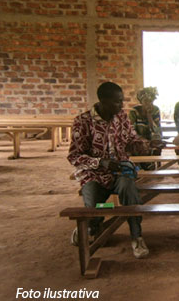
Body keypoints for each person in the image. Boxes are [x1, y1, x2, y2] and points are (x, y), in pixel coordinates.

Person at [68, 81, 160, 259]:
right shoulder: (83, 122)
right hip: (94, 174)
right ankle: (91, 226)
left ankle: (136, 236)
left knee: (130, 193)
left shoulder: (122, 118)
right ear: (103, 101)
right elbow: (74, 156)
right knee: (97, 206)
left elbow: (131, 142)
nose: (121, 105)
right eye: (117, 102)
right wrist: (101, 163)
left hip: (120, 172)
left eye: (122, 101)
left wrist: (148, 145)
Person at [129, 87, 163, 169]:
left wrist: (149, 115)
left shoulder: (155, 110)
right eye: (146, 101)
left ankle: (152, 162)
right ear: (141, 102)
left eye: (151, 101)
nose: (149, 103)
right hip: (138, 138)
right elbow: (131, 129)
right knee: (140, 145)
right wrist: (141, 139)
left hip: (151, 137)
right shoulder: (134, 111)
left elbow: (156, 129)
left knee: (157, 141)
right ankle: (143, 164)